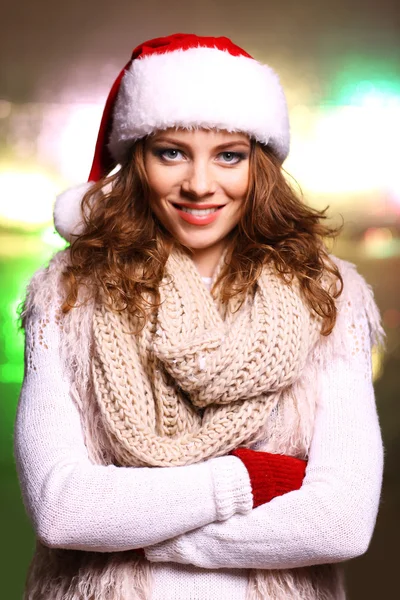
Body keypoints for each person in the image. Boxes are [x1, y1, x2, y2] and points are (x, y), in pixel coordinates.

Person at [14, 33, 384, 600]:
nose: (200, 184)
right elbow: (63, 511)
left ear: (259, 165)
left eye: (228, 155)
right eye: (172, 152)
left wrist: (142, 533)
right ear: (137, 161)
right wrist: (246, 481)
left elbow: (339, 522)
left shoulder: (330, 297)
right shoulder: (69, 294)